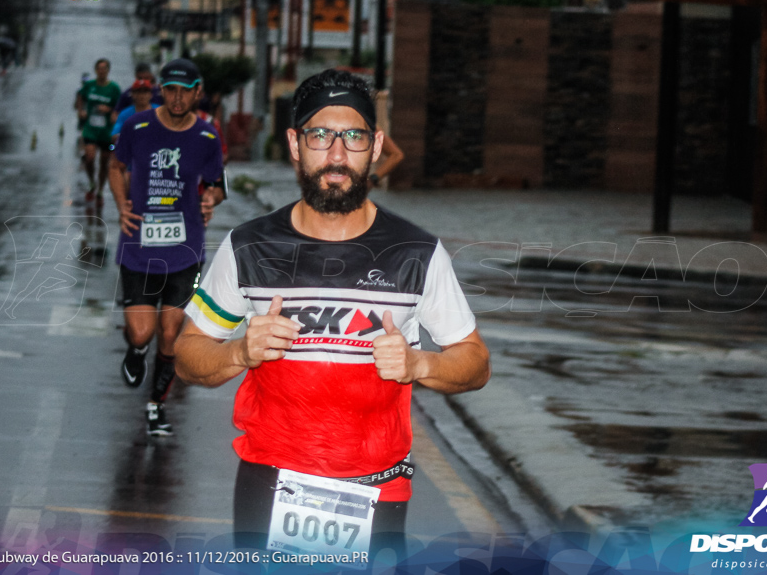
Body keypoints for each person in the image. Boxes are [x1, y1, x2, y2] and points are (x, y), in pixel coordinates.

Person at [174, 69, 491, 554]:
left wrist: (419, 363)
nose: (338, 155)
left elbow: (474, 362)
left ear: (376, 144)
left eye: (354, 136)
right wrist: (240, 351)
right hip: (271, 480)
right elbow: (187, 354)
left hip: (376, 486)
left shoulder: (417, 253)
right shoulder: (250, 246)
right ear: (296, 144)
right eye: (321, 135)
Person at [109, 58, 225, 436]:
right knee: (142, 332)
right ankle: (137, 349)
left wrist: (211, 200)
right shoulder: (136, 125)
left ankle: (156, 405)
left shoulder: (207, 136)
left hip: (185, 248)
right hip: (140, 244)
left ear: (197, 92)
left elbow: (217, 184)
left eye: (185, 91)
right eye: (171, 90)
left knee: (172, 333)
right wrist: (121, 204)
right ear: (162, 90)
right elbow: (115, 166)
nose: (177, 98)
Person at [75, 58, 120, 207]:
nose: (101, 71)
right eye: (99, 68)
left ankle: (100, 189)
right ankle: (92, 183)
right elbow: (80, 97)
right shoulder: (89, 86)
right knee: (89, 157)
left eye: (104, 69)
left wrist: (110, 111)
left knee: (104, 162)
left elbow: (119, 107)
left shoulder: (114, 88)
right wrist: (81, 110)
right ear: (95, 70)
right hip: (90, 130)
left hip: (106, 132)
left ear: (108, 71)